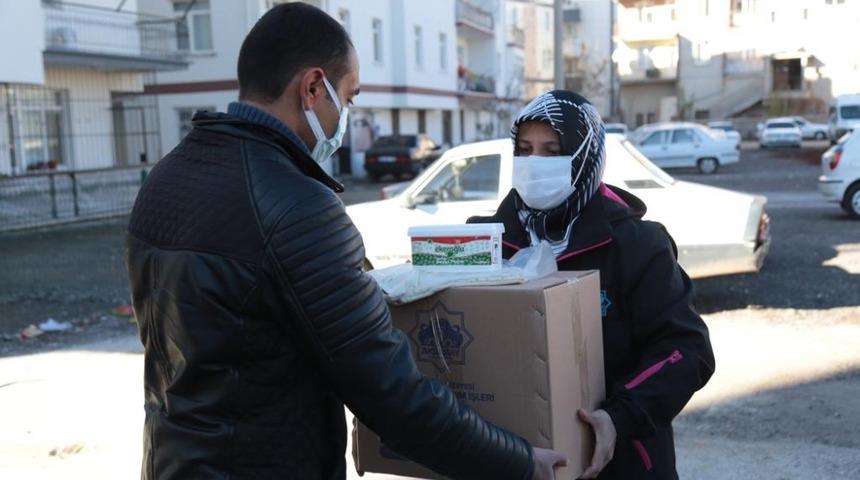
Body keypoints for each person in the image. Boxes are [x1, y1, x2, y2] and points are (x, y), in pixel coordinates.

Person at [124, 3, 566, 480]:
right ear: (313, 88)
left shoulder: (165, 179)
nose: (347, 117)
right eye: (349, 98)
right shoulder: (297, 206)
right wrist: (517, 461)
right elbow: (389, 390)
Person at [468, 90, 715, 479]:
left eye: (553, 151)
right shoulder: (485, 240)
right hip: (510, 460)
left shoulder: (635, 245)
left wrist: (620, 416)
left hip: (617, 464)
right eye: (525, 149)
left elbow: (687, 349)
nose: (535, 164)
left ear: (585, 155)